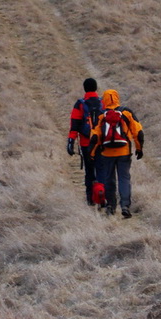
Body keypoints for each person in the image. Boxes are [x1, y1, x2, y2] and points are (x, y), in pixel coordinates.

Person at [89, 88, 144, 218]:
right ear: (117, 98)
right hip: (124, 152)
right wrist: (139, 148)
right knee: (124, 178)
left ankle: (110, 206)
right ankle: (125, 206)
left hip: (107, 154)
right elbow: (138, 132)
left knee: (109, 179)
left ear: (105, 100)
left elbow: (95, 137)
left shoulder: (102, 116)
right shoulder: (126, 112)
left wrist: (91, 153)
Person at [67, 78, 103, 206]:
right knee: (102, 170)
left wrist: (71, 141)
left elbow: (74, 125)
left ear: (84, 88)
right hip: (100, 143)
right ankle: (102, 196)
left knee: (89, 171)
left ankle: (90, 199)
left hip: (86, 143)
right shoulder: (102, 103)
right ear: (96, 88)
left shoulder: (80, 104)